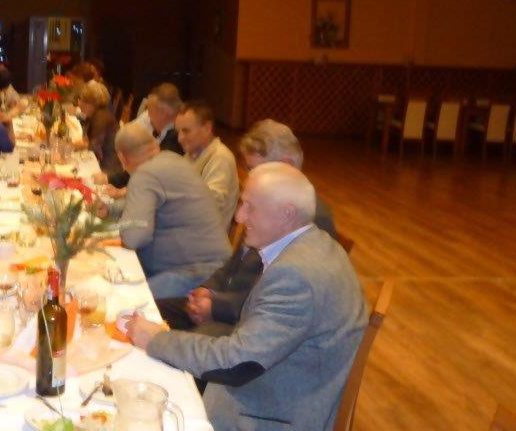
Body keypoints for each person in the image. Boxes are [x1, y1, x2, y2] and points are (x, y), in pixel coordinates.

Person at [127, 163, 367, 431]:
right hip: (280, 384)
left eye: (250, 206)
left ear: (287, 213)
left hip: (270, 414)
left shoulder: (295, 275)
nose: (239, 217)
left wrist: (157, 340)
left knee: (140, 403)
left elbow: (237, 364)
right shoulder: (315, 243)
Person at [158, 118, 338, 338]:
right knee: (152, 311)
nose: (250, 177)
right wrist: (208, 290)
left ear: (287, 165)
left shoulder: (309, 218)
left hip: (246, 325)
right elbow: (235, 263)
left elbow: (274, 298)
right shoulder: (262, 202)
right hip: (225, 304)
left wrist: (215, 307)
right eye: (249, 169)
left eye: (258, 169)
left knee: (174, 343)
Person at [113, 122, 230, 298]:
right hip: (217, 267)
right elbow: (149, 205)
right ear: (154, 144)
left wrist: (117, 225)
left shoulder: (144, 174)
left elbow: (134, 237)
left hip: (194, 274)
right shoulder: (174, 160)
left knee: (122, 298)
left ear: (122, 157)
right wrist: (111, 209)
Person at [98, 82, 184, 190]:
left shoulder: (175, 140)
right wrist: (110, 179)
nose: (148, 115)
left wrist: (114, 183)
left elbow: (149, 177)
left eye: (150, 110)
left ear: (164, 112)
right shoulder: (161, 128)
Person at [176, 101, 239, 229]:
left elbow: (209, 206)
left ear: (207, 128)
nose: (180, 138)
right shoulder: (191, 154)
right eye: (178, 132)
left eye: (186, 131)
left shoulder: (220, 158)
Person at [79, 81, 119, 175]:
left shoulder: (100, 118)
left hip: (108, 167)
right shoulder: (101, 113)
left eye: (83, 101)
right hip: (105, 160)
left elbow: (94, 147)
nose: (80, 104)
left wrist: (74, 145)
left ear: (92, 104)